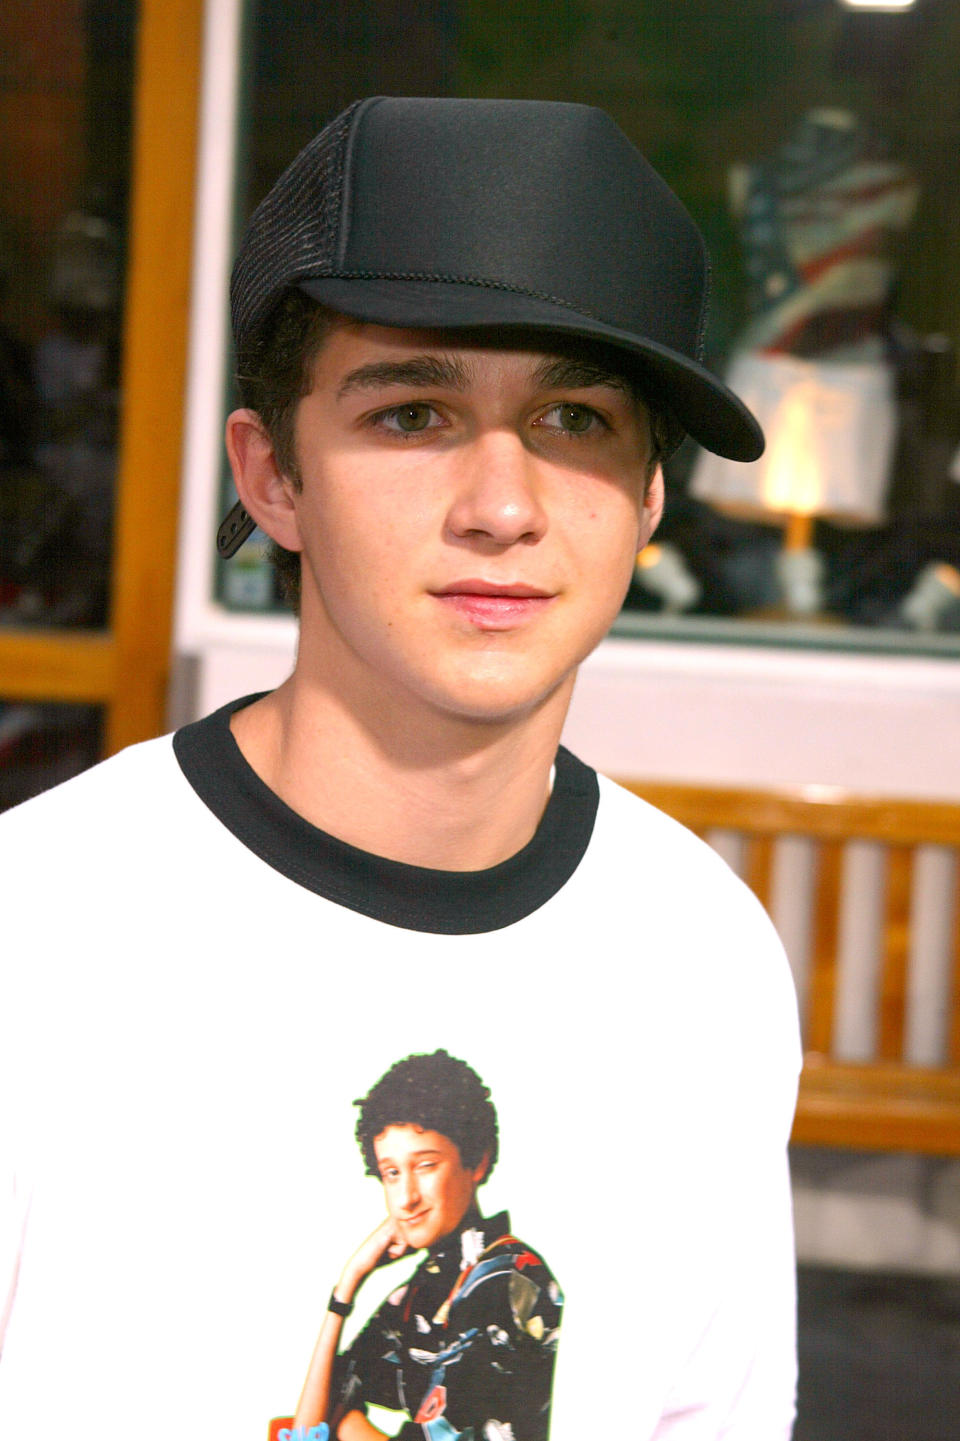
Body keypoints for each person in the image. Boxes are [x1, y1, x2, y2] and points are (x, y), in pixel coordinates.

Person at [0, 98, 801, 1440]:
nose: (503, 502)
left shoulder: (700, 954)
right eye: (416, 412)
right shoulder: (43, 932)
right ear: (273, 478)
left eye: (578, 421)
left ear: (651, 500)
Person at [287, 1050, 561, 1441]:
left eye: (425, 1165)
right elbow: (306, 1431)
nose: (406, 1198)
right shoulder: (428, 1285)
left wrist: (344, 1425)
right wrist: (347, 1285)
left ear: (477, 1162)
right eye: (392, 1173)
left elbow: (321, 1429)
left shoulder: (503, 1278)